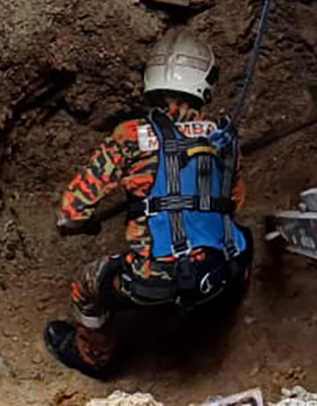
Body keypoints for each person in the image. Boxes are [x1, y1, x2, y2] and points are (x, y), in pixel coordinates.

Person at [43, 30, 251, 378]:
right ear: (206, 81)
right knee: (243, 237)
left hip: (154, 278)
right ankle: (218, 308)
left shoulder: (131, 137)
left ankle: (96, 354)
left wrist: (79, 222)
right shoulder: (224, 135)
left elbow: (71, 210)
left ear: (151, 81)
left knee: (84, 284)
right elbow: (235, 202)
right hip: (219, 269)